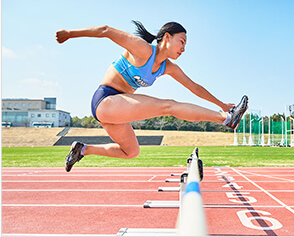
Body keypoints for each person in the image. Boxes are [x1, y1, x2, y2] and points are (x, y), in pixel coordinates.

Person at [56, 21, 248, 172]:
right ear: (167, 37)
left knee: (130, 152)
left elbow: (194, 87)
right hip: (105, 100)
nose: (183, 48)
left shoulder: (168, 67)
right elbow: (106, 30)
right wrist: (69, 33)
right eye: (181, 42)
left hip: (119, 107)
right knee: (168, 106)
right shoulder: (142, 49)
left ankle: (82, 150)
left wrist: (222, 103)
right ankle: (227, 119)